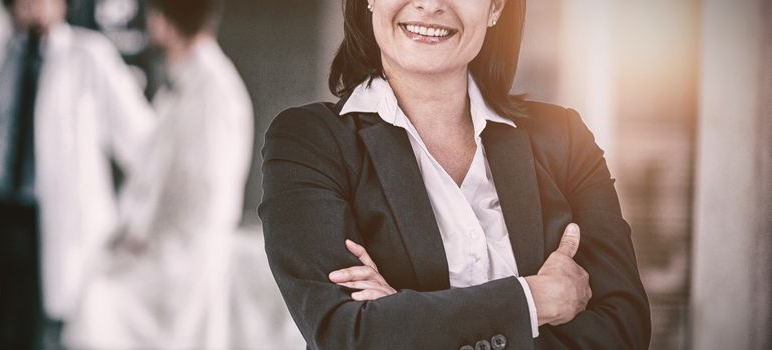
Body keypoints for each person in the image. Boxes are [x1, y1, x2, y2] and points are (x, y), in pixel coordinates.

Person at [259, 0, 651, 349]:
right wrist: (532, 300)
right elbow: (345, 334)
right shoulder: (310, 141)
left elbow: (624, 329)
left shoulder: (563, 138)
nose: (430, 5)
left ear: (496, 8)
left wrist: (406, 318)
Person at [0, 0, 157, 348]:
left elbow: (144, 145)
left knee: (43, 330)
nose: (33, 6)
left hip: (57, 219)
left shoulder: (90, 55)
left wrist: (137, 216)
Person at [67, 0, 253, 347]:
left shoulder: (213, 92)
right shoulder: (185, 81)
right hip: (165, 255)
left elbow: (203, 192)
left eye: (153, 16)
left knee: (100, 308)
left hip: (181, 263)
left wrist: (149, 240)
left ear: (166, 23)